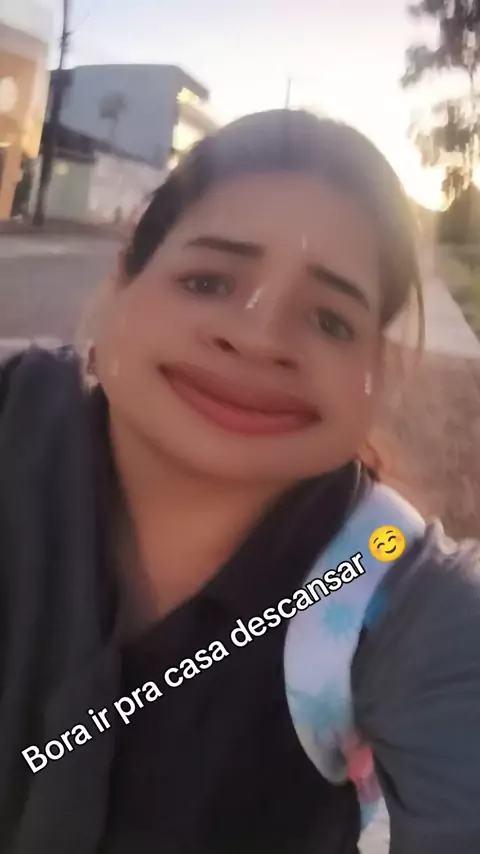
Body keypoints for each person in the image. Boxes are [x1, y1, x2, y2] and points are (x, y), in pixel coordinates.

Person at [0, 109, 479, 854]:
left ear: (375, 372)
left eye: (330, 321)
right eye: (207, 281)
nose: (258, 337)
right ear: (124, 282)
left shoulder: (404, 597)